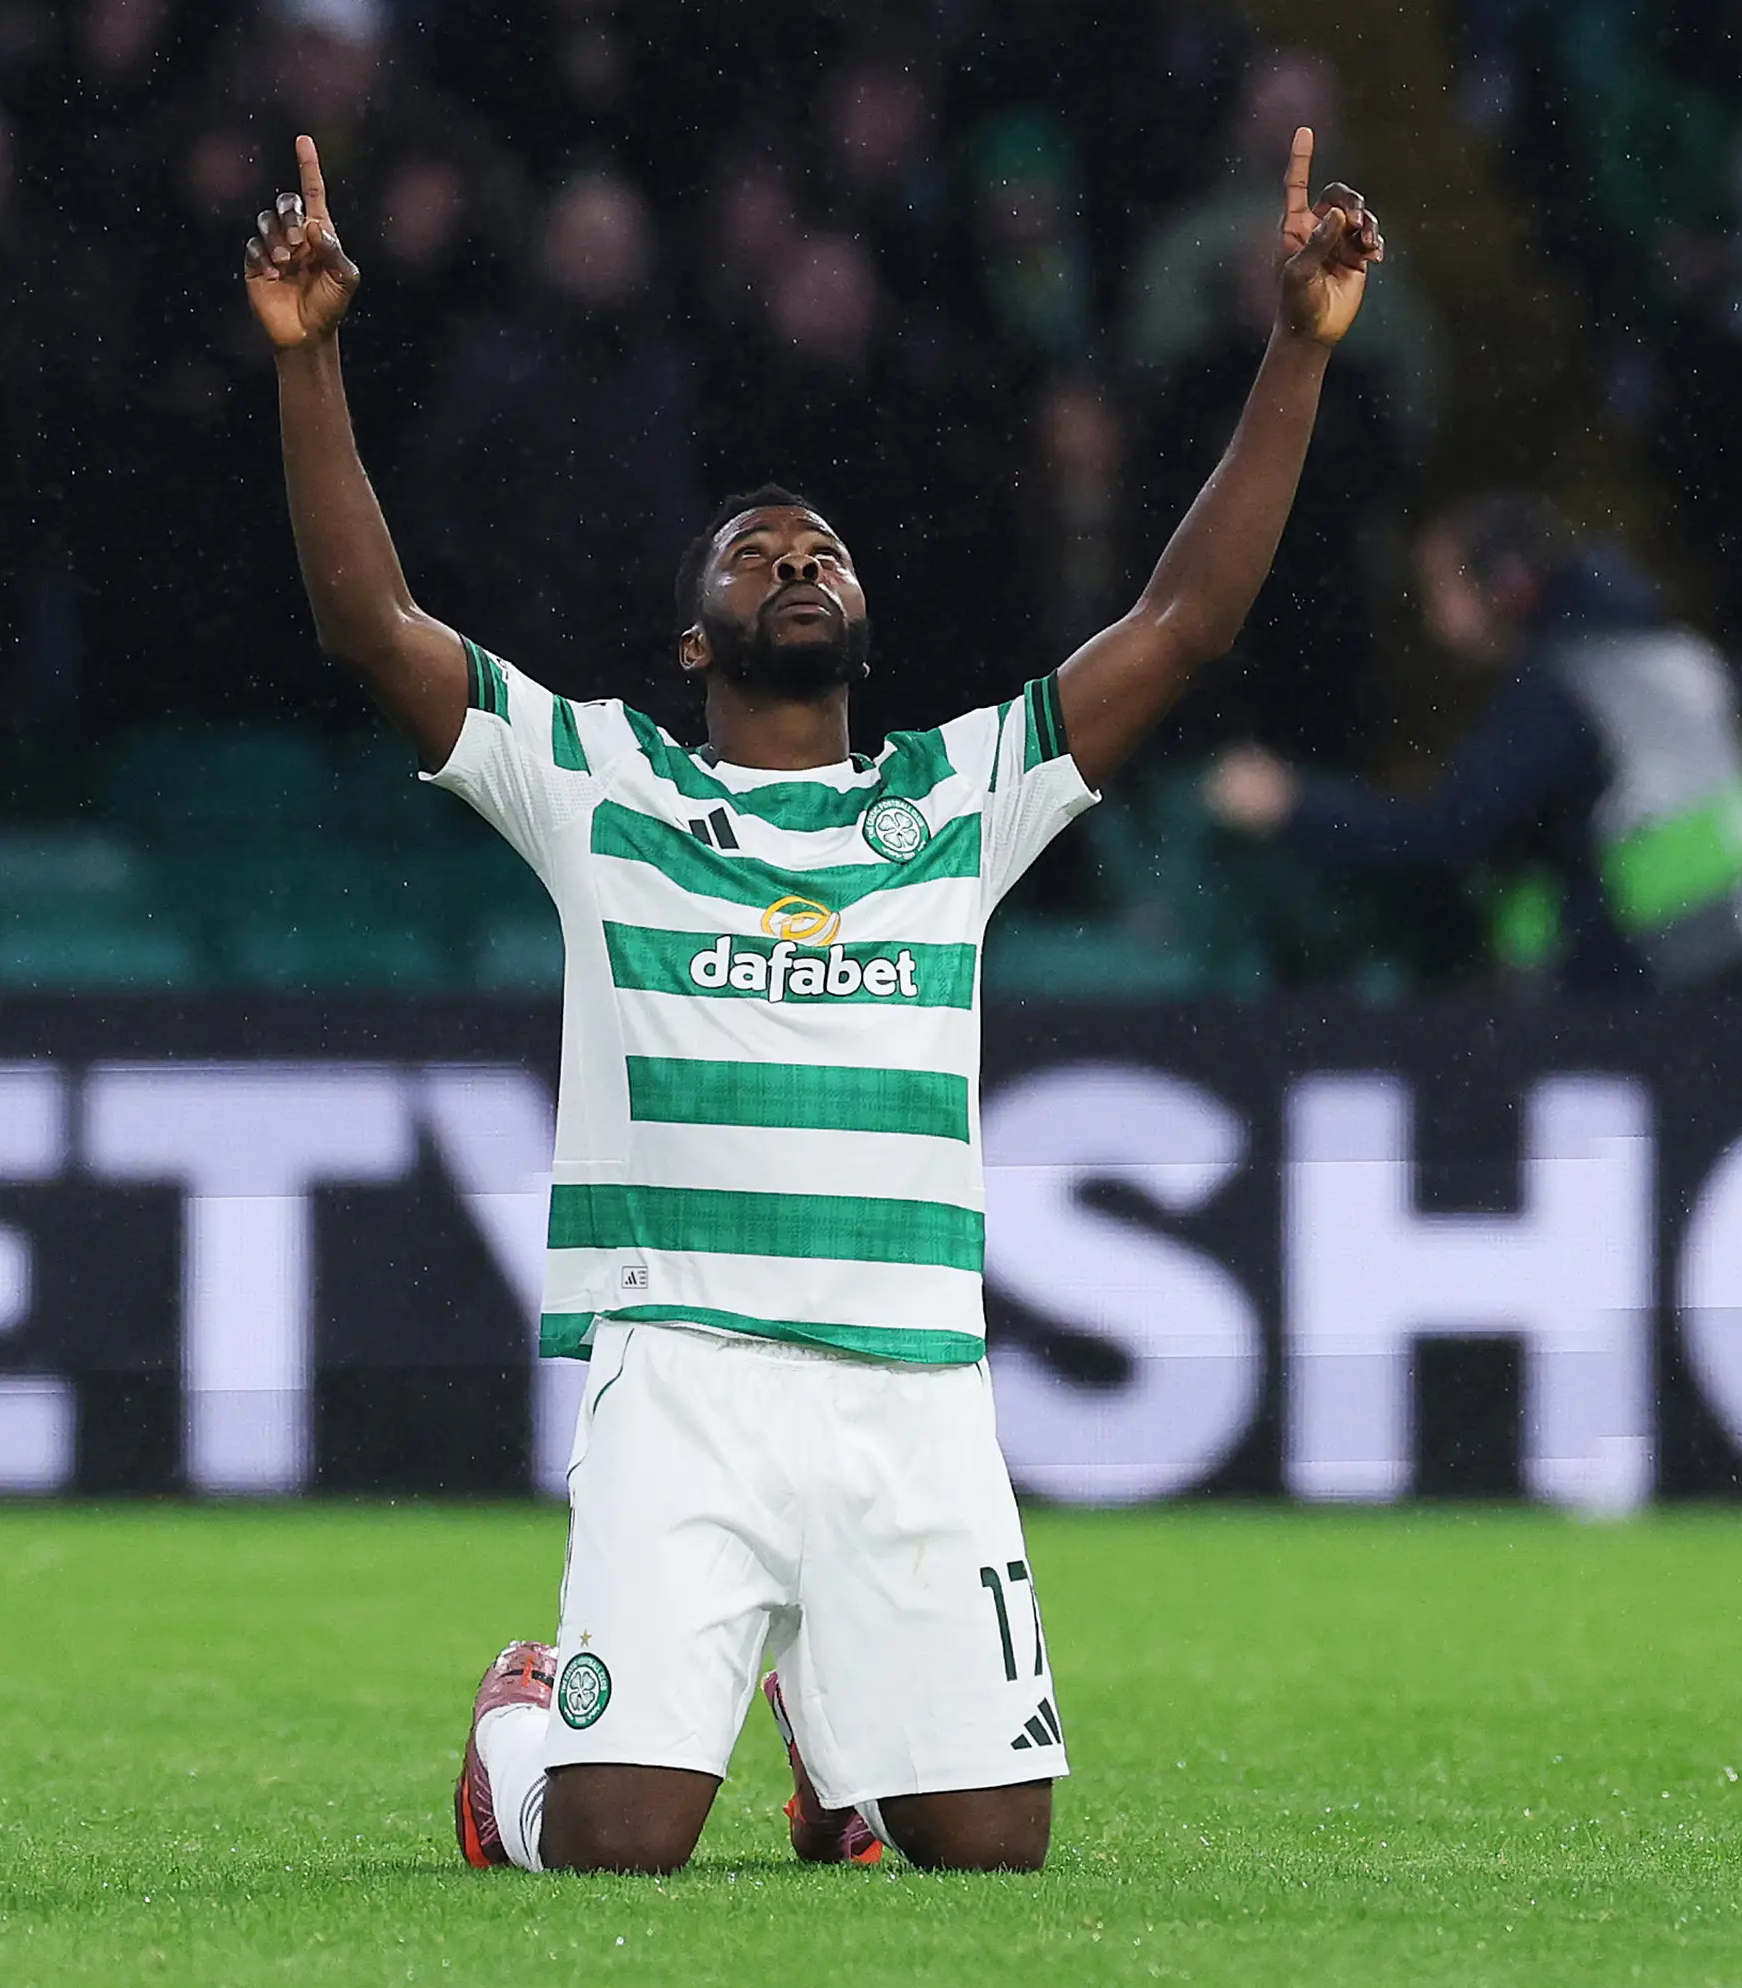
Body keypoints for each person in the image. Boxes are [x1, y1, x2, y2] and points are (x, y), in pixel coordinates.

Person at [244, 130, 1380, 1873]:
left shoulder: (958, 798)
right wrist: (311, 360)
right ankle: (517, 1726)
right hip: (683, 1369)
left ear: (862, 618)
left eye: (820, 550)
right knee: (617, 1844)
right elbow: (369, 622)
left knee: (988, 1850)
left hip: (912, 1384)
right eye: (753, 552)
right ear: (692, 641)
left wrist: (1297, 348)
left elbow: (1188, 616)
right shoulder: (600, 786)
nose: (793, 559)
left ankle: (840, 1747)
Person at [1203, 496, 1742, 994]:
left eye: (1444, 590)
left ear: (1502, 587)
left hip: (1646, 977)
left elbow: (1450, 831)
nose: (1434, 620)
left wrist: (1295, 808)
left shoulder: (1564, 689)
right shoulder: (1662, 652)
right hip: (1725, 953)